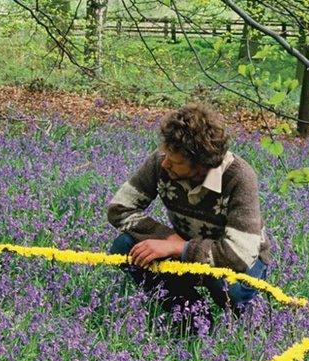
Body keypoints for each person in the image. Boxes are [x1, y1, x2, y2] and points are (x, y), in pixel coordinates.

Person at [106, 102, 271, 335]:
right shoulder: (161, 162)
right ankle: (191, 314)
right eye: (165, 155)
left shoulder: (239, 178)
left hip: (242, 259)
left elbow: (239, 254)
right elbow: (119, 208)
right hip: (185, 246)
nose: (165, 164)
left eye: (175, 162)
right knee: (125, 247)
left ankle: (247, 323)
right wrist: (167, 238)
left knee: (228, 287)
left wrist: (179, 247)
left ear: (201, 164)